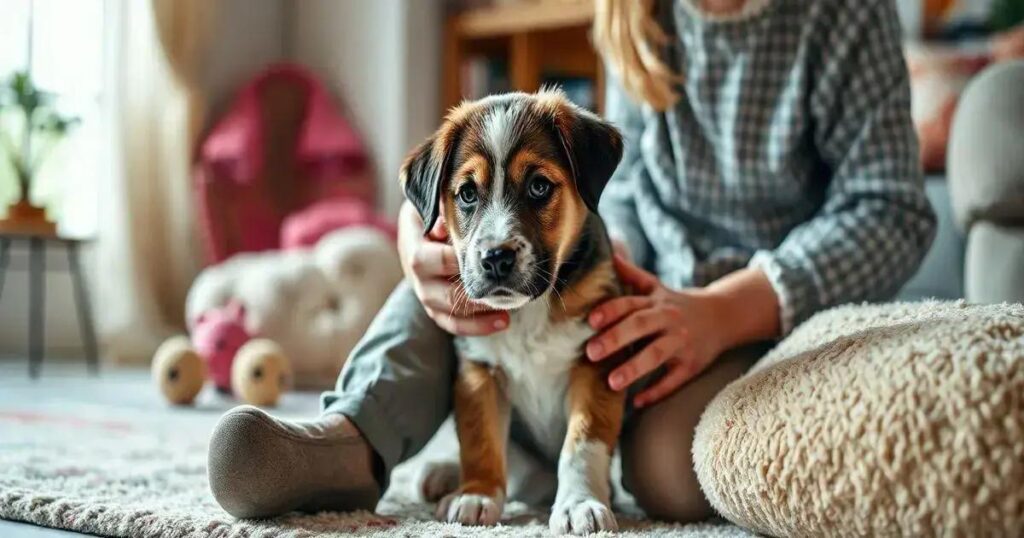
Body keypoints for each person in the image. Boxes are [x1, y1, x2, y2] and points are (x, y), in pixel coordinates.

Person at [207, 0, 936, 523]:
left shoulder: (844, 16)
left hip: (757, 310)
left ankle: (530, 468)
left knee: (666, 478)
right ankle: (352, 440)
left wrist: (725, 308)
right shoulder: (632, 12)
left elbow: (893, 210)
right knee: (464, 282)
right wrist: (419, 235)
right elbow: (615, 193)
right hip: (635, 284)